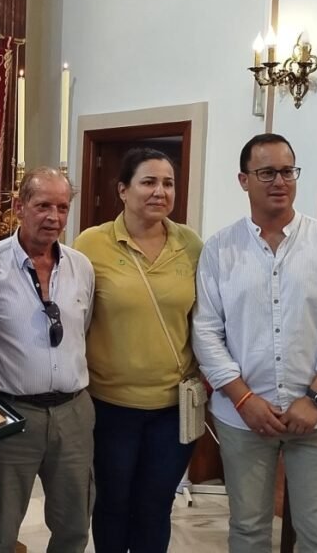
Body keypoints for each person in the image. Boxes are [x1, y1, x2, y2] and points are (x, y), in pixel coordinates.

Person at [192, 133, 317, 553]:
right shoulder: (219, 249)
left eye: (287, 171)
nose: (279, 181)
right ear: (243, 179)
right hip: (244, 420)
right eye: (266, 172)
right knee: (248, 531)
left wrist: (316, 400)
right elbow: (206, 332)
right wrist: (242, 398)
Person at [74, 148, 203, 553]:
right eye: (148, 182)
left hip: (173, 408)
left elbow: (205, 319)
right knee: (113, 503)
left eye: (168, 183)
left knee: (154, 505)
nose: (159, 192)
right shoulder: (91, 245)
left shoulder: (191, 244)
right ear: (123, 190)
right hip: (111, 406)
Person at [0, 167, 95, 553]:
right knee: (1, 531)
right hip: (10, 414)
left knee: (74, 526)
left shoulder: (82, 267)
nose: (53, 217)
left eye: (62, 207)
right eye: (43, 205)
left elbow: (82, 328)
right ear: (20, 205)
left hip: (73, 414)